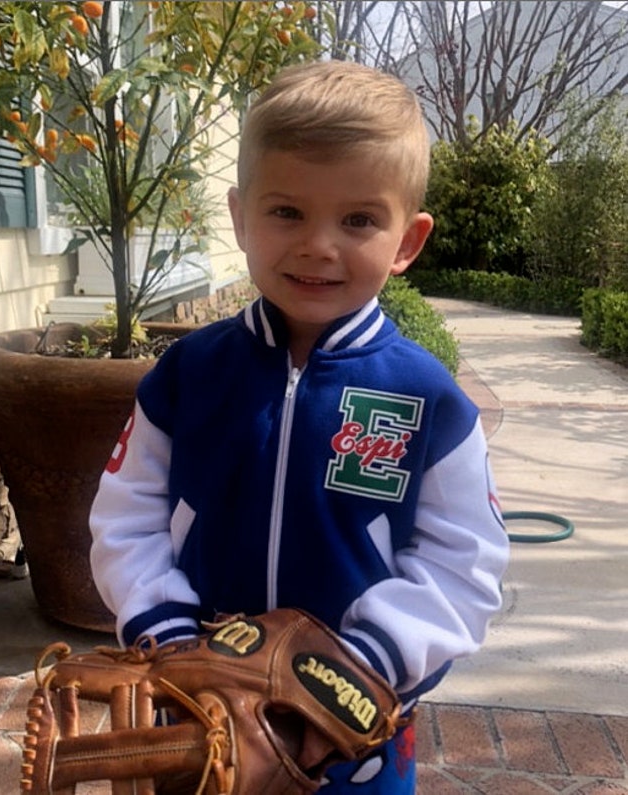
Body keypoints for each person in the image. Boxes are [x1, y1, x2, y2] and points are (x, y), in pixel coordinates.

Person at [89, 60, 509, 793]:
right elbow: (126, 517)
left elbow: (462, 562)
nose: (319, 244)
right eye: (287, 212)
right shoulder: (187, 376)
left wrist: (365, 663)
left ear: (407, 241)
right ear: (239, 217)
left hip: (355, 726)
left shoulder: (428, 400)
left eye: (358, 220)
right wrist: (171, 636)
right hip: (198, 712)